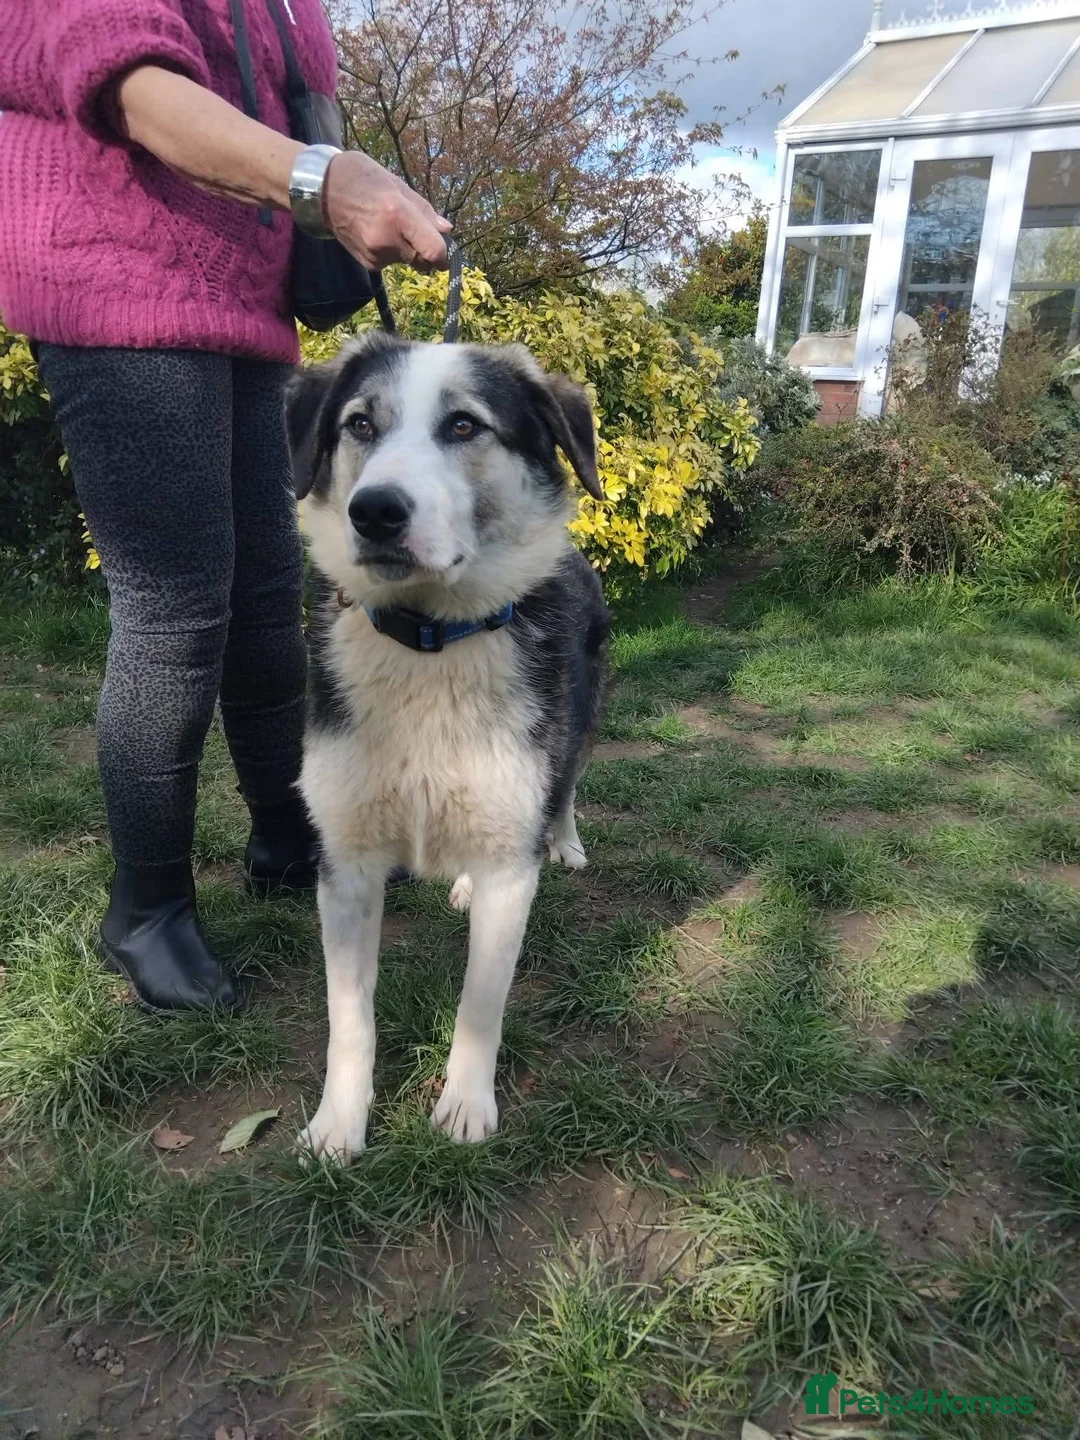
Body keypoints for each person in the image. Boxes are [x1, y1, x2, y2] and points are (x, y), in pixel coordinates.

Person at [0, 0, 450, 1013]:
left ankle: (287, 837)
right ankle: (147, 910)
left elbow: (284, 110)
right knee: (176, 610)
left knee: (265, 594)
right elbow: (134, 86)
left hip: (243, 304)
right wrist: (323, 180)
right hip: (112, 274)